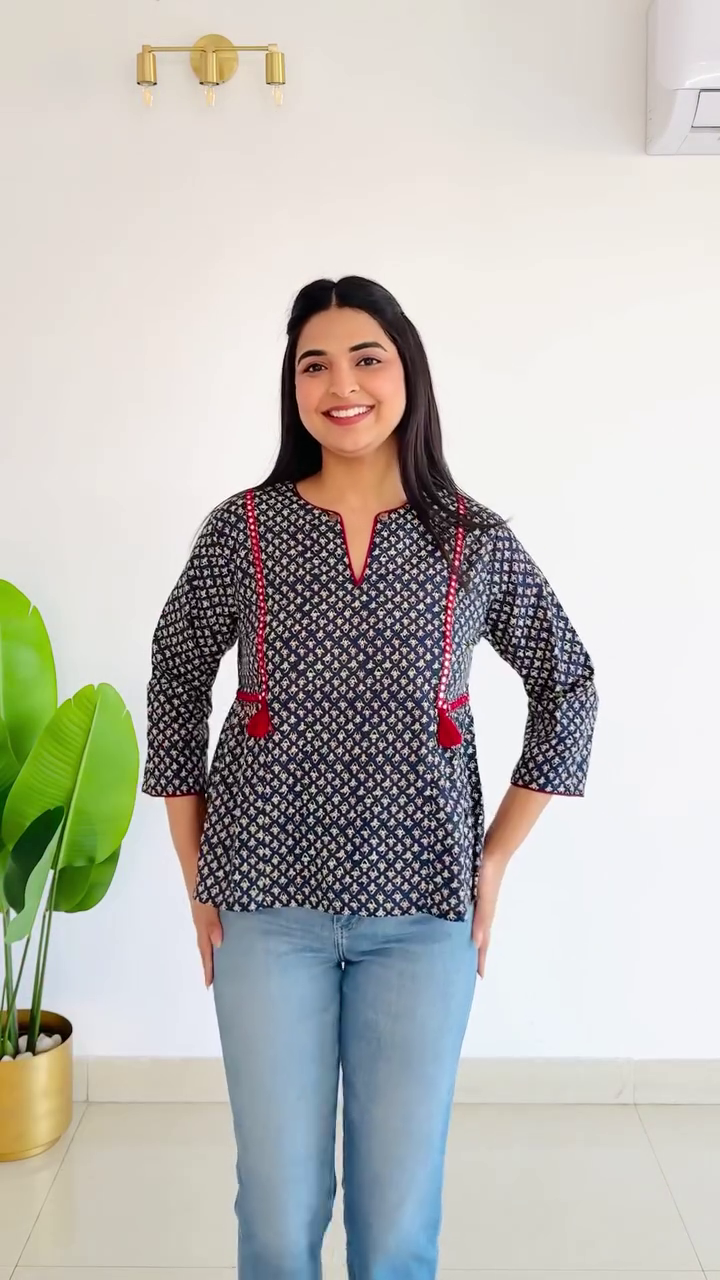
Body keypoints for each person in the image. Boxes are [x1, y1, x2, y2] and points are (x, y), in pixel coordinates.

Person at [142, 275, 598, 1280]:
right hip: (265, 910)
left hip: (424, 915)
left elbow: (568, 681)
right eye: (315, 364)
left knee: (395, 1228)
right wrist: (194, 866)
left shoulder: (472, 538)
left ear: (408, 374)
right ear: (292, 387)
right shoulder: (243, 529)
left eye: (366, 359)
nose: (341, 385)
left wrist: (493, 861)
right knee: (278, 1214)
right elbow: (176, 671)